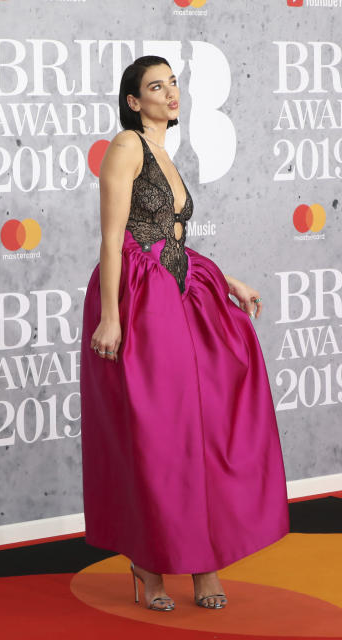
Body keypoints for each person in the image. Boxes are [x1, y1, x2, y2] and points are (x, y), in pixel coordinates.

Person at [79, 56, 290, 612]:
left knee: (202, 423)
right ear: (133, 101)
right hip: (138, 297)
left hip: (178, 290)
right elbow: (113, 239)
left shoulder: (165, 152)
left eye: (173, 83)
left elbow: (169, 237)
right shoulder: (126, 147)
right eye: (156, 86)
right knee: (155, 434)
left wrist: (229, 281)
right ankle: (147, 569)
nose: (171, 93)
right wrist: (110, 315)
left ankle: (203, 560)